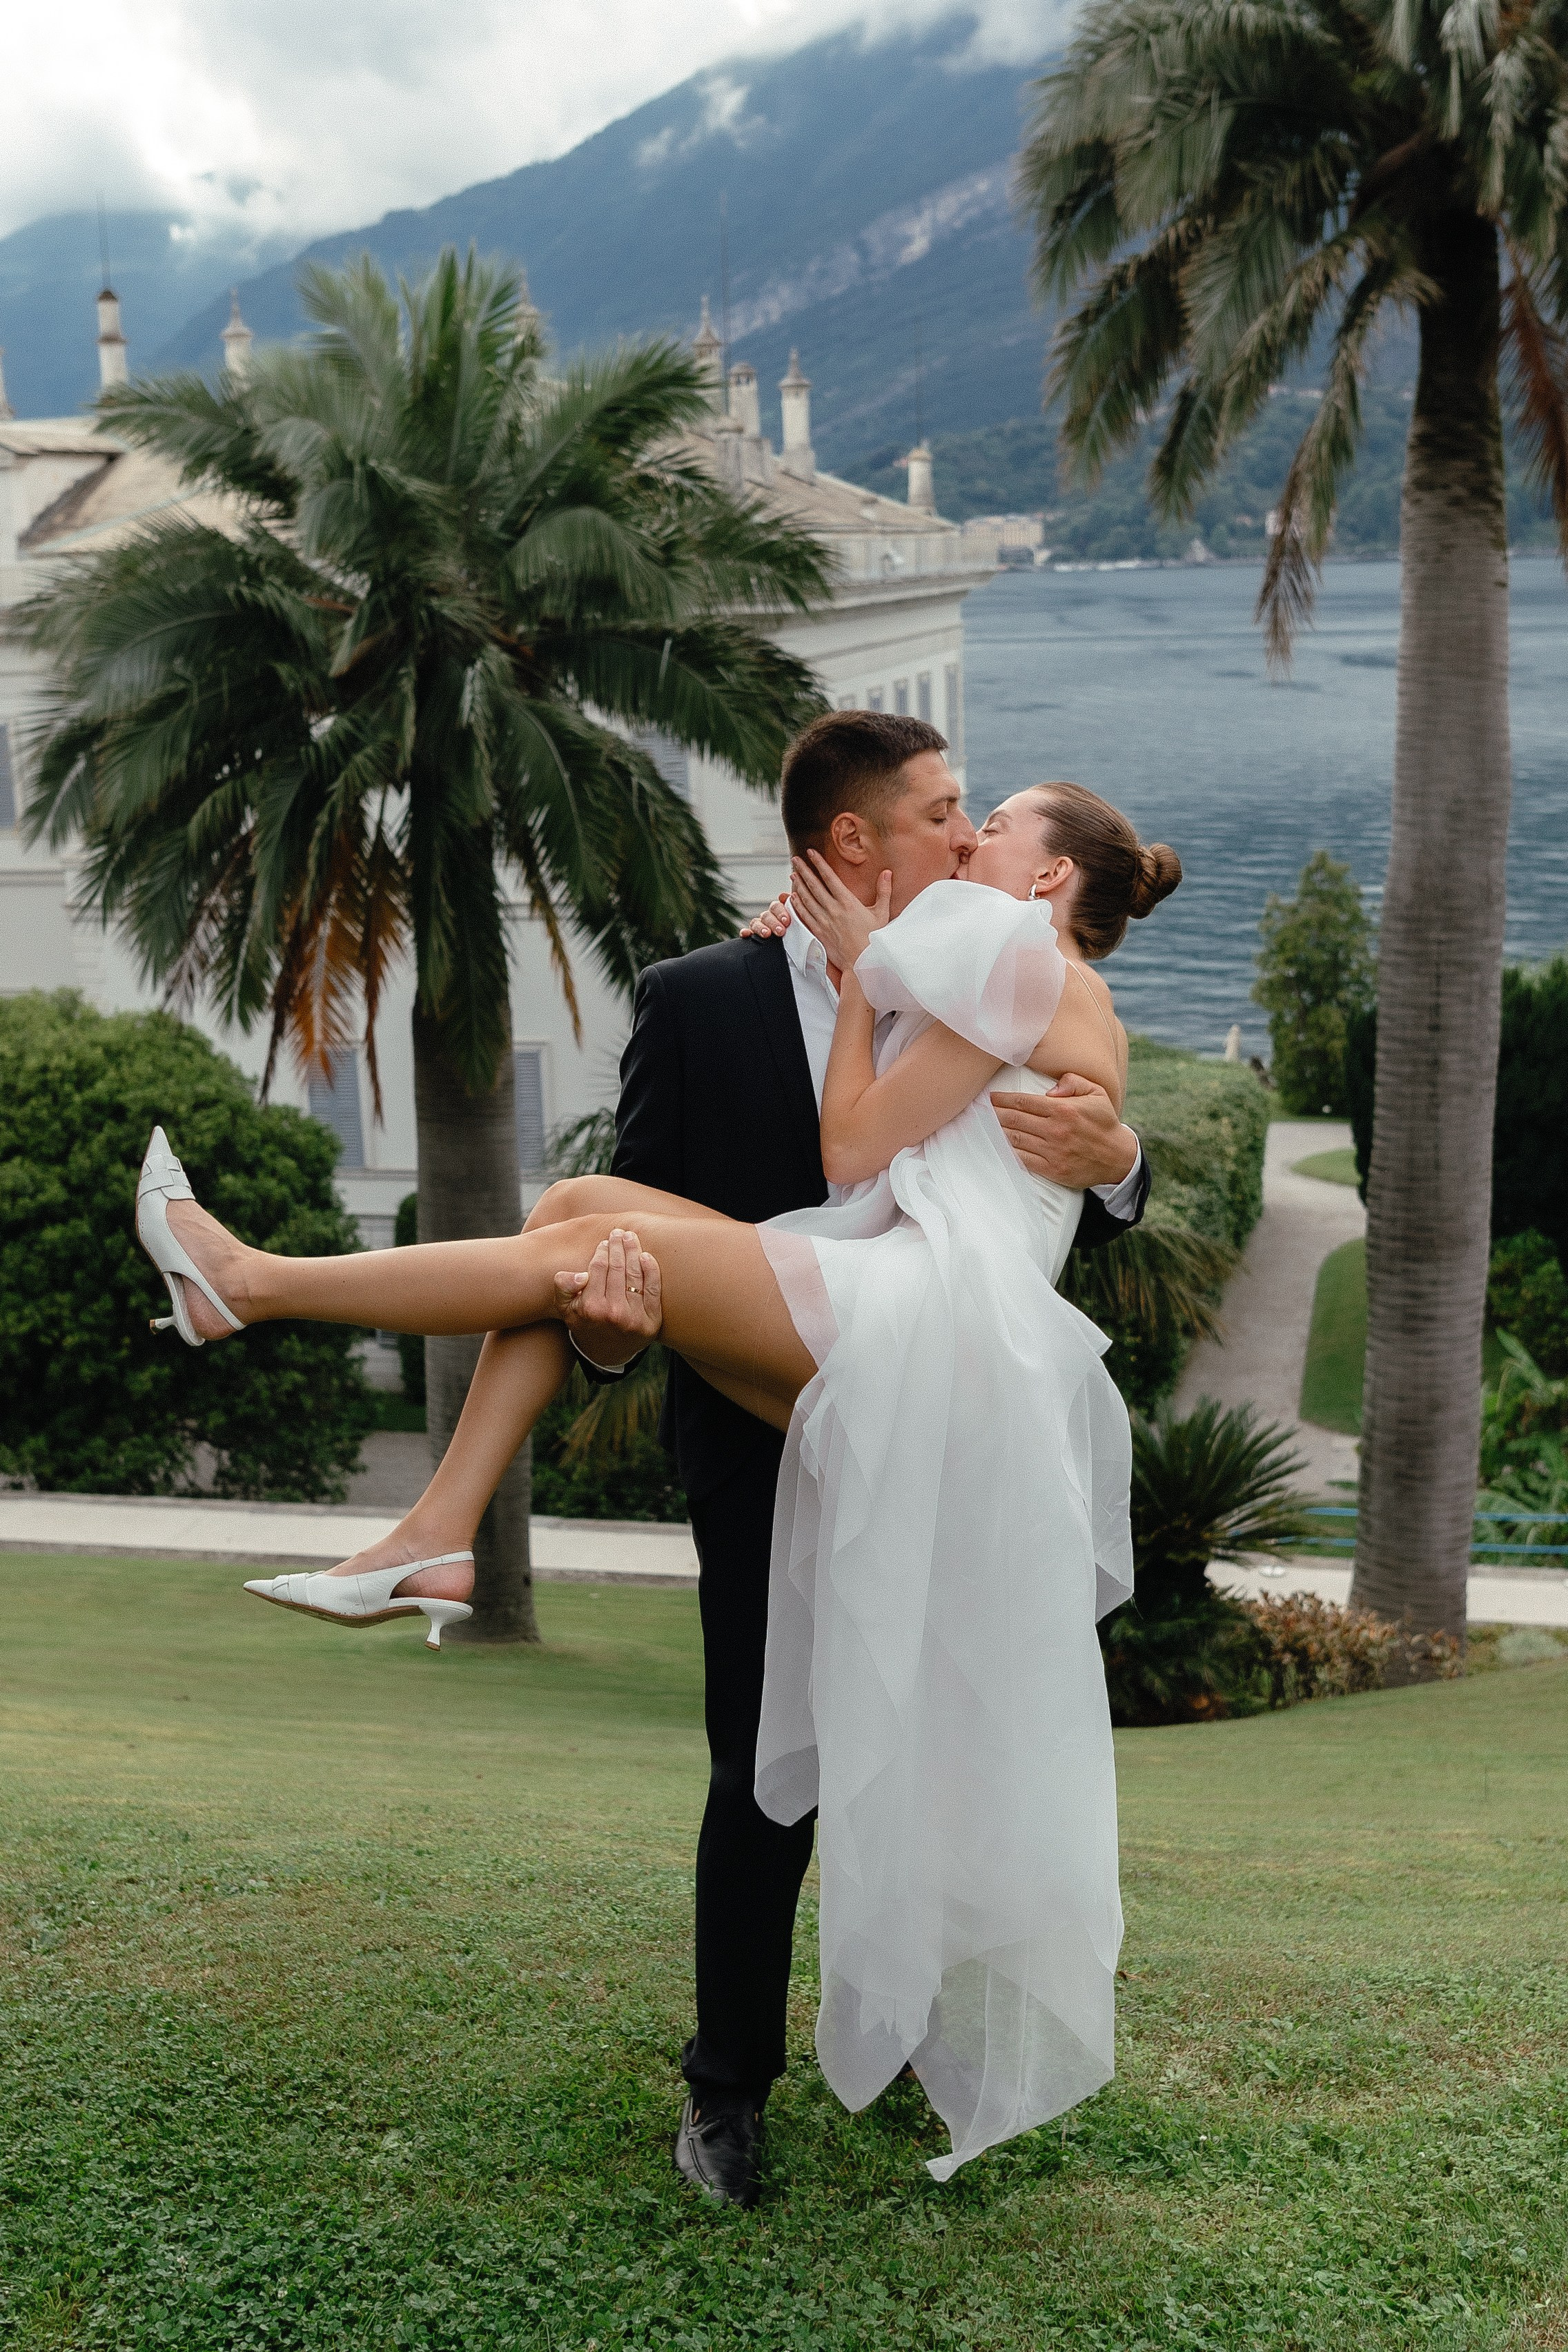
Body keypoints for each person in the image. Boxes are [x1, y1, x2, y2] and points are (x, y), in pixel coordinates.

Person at [133, 719, 1179, 2195]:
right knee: (580, 1219)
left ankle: (256, 1287)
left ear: (1046, 874)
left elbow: (927, 1143)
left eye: (984, 816)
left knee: (916, 1760)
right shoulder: (717, 993)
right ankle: (439, 1536)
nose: (965, 834)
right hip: (783, 1394)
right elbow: (685, 1207)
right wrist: (615, 1336)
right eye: (947, 810)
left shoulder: (973, 959)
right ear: (854, 842)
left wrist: (1112, 1152)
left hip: (907, 1346)